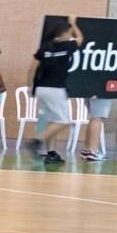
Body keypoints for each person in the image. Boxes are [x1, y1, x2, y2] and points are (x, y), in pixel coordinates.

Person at [24, 16, 83, 164]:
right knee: (64, 121)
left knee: (53, 120)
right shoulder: (67, 46)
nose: (70, 34)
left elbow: (32, 69)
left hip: (41, 90)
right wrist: (73, 23)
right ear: (63, 34)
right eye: (68, 32)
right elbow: (80, 38)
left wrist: (30, 87)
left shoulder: (44, 47)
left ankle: (51, 153)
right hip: (55, 89)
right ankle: (37, 141)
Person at [83, 97, 112, 161]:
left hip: (89, 90)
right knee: (97, 118)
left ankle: (87, 150)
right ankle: (93, 152)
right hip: (101, 92)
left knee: (93, 118)